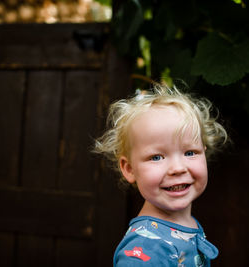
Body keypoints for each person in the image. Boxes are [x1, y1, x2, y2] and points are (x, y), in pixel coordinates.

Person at [94, 84, 228, 266]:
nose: (178, 168)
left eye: (190, 153)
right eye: (156, 157)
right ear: (129, 169)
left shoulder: (186, 224)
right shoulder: (145, 249)